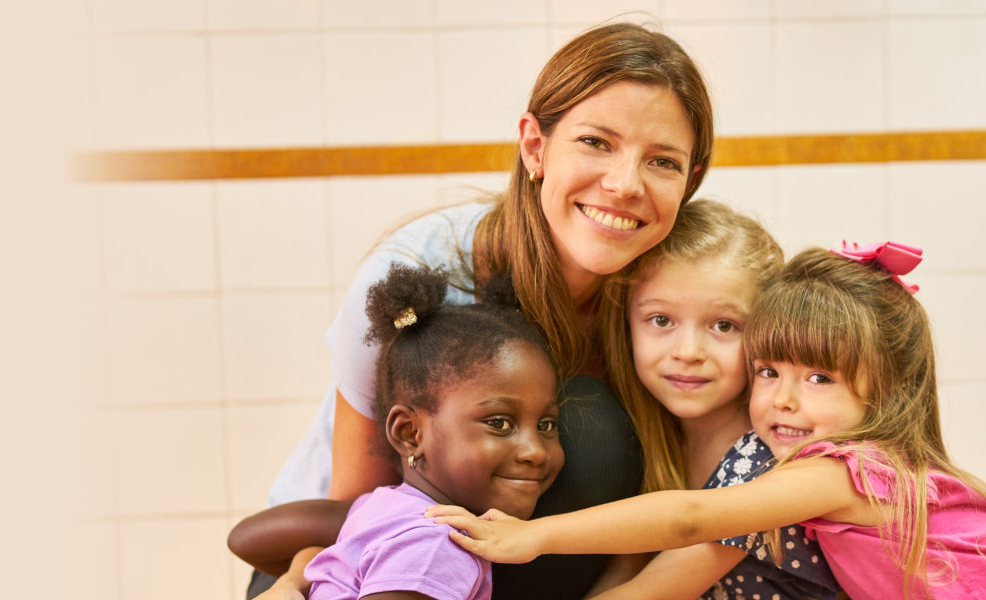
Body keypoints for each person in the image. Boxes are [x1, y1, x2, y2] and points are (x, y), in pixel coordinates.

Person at [230, 21, 715, 600]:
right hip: (345, 561)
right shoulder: (418, 273)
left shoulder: (670, 292)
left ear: (690, 180)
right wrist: (291, 580)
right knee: (595, 429)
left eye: (662, 161)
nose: (625, 183)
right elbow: (358, 512)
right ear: (535, 146)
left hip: (497, 562)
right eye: (596, 142)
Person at [429, 244, 986, 600]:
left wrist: (535, 537)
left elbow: (694, 519)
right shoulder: (819, 464)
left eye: (819, 378)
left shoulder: (848, 472)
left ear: (884, 392)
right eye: (769, 372)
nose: (784, 399)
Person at [591, 199, 838, 599]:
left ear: (766, 335)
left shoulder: (765, 460)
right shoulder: (651, 438)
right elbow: (627, 564)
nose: (688, 351)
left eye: (724, 325)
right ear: (626, 324)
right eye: (661, 320)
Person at [297, 265, 562, 600]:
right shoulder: (438, 544)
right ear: (410, 434)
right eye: (499, 423)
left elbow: (247, 538)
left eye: (546, 425)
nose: (535, 451)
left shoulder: (380, 507)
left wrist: (292, 582)